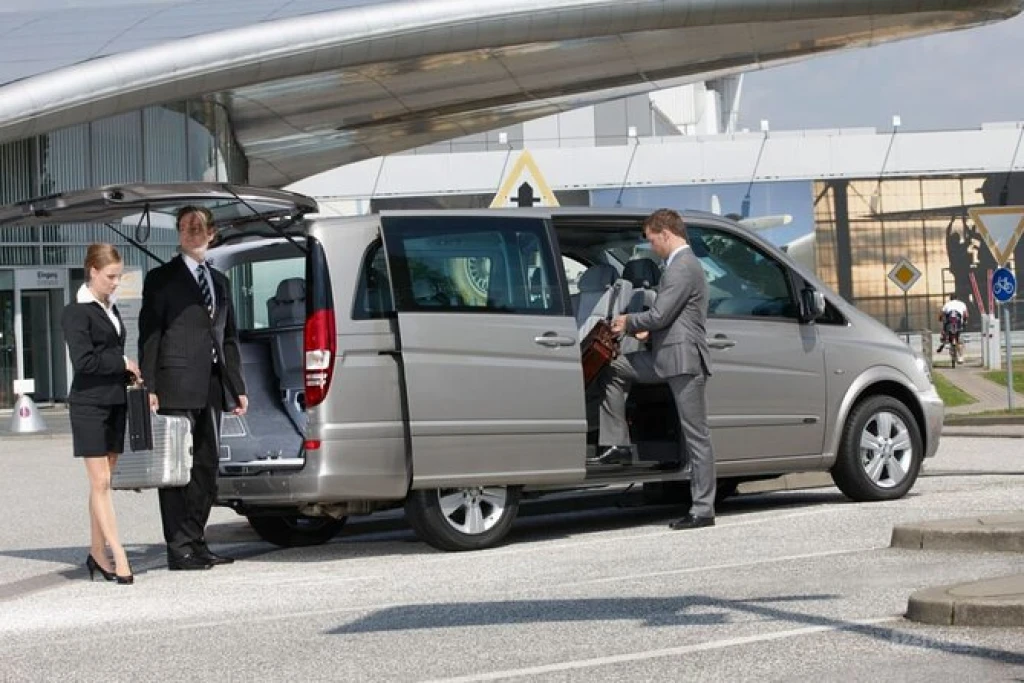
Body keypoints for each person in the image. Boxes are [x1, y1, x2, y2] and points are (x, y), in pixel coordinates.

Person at [590, 208, 717, 530]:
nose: (652, 247)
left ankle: (703, 510)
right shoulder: (676, 266)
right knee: (614, 367)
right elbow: (672, 316)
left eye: (651, 240)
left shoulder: (683, 266)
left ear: (665, 233)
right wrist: (649, 331)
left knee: (696, 436)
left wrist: (629, 323)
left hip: (683, 360)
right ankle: (617, 444)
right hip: (665, 357)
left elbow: (660, 314)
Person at [139, 206, 248, 571]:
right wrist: (149, 385)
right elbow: (150, 334)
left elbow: (227, 339)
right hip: (174, 383)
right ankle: (179, 547)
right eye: (187, 226)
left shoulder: (220, 282)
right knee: (177, 470)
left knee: (206, 466)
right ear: (178, 233)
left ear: (212, 233)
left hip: (212, 386)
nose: (193, 232)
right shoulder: (161, 279)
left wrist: (237, 386)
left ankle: (197, 540)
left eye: (199, 227)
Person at [61, 243, 141, 584]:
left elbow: (110, 352)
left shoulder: (110, 308)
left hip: (115, 402)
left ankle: (96, 551)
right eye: (110, 276)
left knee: (102, 485)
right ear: (92, 271)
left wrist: (134, 376)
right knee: (101, 483)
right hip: (88, 404)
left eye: (118, 277)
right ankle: (117, 554)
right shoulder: (76, 311)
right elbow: (85, 362)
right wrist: (122, 362)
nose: (115, 283)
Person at [936, 293, 968, 358]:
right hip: (958, 322)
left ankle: (943, 340)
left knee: (945, 330)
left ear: (950, 298)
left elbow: (941, 314)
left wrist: (940, 319)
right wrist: (965, 321)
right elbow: (966, 315)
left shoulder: (947, 304)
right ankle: (960, 356)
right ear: (957, 298)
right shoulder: (962, 304)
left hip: (949, 323)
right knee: (958, 337)